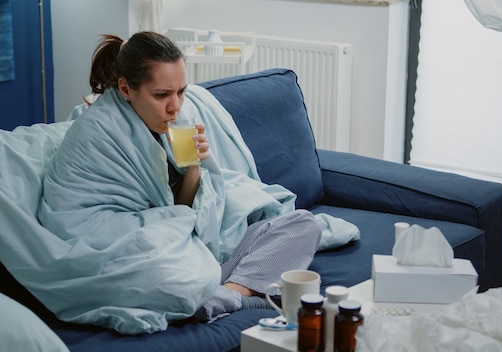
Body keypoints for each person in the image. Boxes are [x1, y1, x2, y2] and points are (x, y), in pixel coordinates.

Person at [39, 31, 323, 323]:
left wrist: (194, 168)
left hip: (185, 249)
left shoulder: (173, 121)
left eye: (181, 91)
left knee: (302, 224)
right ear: (125, 89)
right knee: (164, 275)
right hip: (141, 252)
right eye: (162, 95)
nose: (175, 106)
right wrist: (175, 231)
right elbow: (90, 229)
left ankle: (228, 293)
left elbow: (185, 209)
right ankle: (230, 291)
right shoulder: (99, 132)